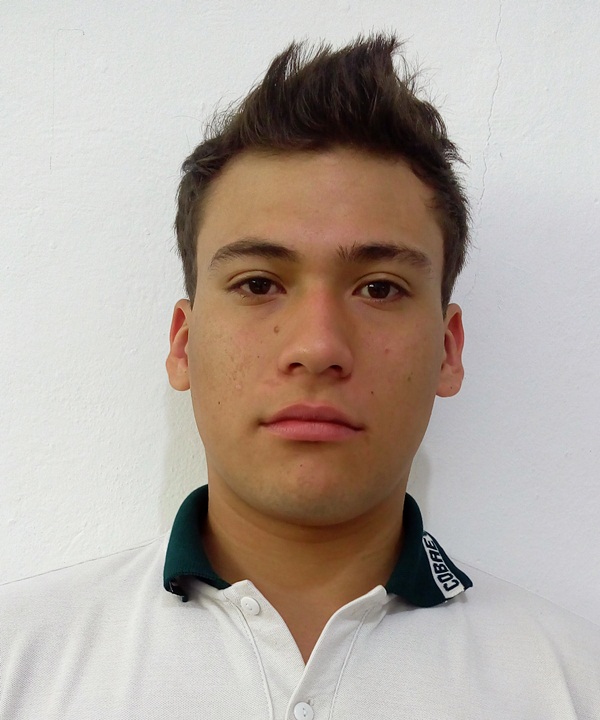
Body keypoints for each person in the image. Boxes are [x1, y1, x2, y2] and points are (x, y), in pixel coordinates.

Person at [1, 34, 598, 719]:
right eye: (258, 284)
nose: (317, 347)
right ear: (184, 344)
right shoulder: (20, 663)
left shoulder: (574, 686)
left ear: (447, 350)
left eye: (379, 288)